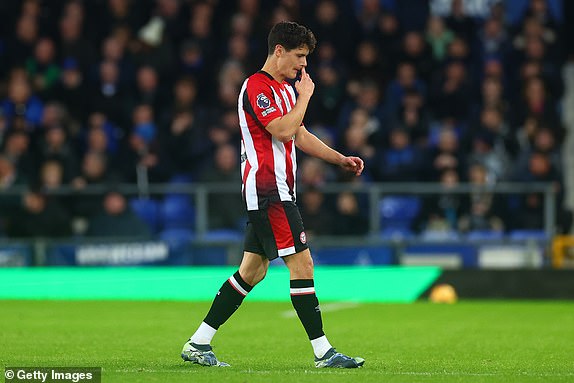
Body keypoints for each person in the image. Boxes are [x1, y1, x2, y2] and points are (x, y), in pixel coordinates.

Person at [181, 21, 365, 369]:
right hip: (269, 190)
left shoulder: (285, 90)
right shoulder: (257, 87)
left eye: (306, 59)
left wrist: (339, 158)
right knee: (303, 263)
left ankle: (198, 342)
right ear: (278, 51)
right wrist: (307, 95)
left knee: (252, 271)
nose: (304, 65)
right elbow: (282, 131)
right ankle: (324, 352)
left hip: (276, 191)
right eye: (299, 56)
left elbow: (300, 134)